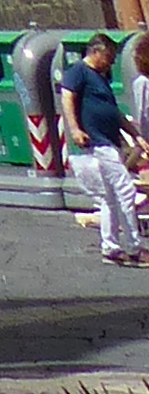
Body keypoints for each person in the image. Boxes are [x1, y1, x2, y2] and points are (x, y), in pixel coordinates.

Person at [64, 35, 142, 264]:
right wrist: (75, 129)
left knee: (109, 198)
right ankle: (135, 248)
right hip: (98, 143)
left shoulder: (100, 77)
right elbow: (67, 98)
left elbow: (113, 111)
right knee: (126, 190)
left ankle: (110, 248)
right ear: (96, 52)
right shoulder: (79, 71)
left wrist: (136, 135)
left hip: (109, 141)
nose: (112, 62)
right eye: (109, 57)